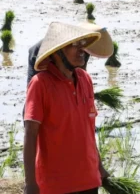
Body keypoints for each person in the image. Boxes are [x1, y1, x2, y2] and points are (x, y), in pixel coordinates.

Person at [23, 22, 113, 194]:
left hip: (88, 180)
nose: (81, 50)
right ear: (56, 52)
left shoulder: (85, 79)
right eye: (74, 45)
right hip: (56, 185)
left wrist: (99, 167)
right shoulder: (40, 84)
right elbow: (30, 134)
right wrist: (30, 183)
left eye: (82, 45)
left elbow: (88, 130)